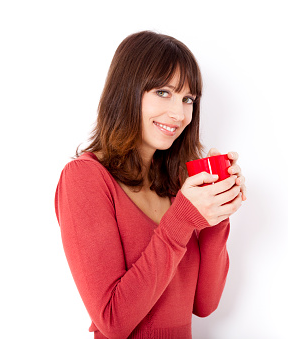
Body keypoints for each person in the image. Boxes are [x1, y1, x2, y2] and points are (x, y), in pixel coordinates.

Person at [54, 30, 247, 339]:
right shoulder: (84, 178)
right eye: (163, 92)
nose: (179, 114)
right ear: (127, 90)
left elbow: (204, 304)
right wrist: (184, 218)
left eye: (188, 99)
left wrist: (216, 215)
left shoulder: (175, 186)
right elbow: (113, 321)